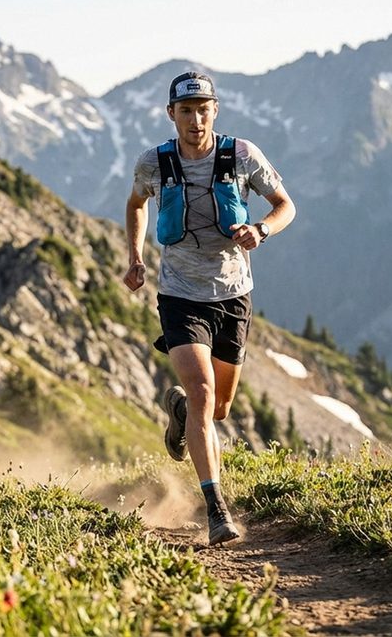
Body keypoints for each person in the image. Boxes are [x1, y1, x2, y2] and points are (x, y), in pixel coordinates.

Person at [123, 71, 296, 545]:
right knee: (202, 391)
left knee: (217, 408)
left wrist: (261, 229)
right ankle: (217, 510)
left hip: (234, 294)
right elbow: (136, 204)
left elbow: (285, 205)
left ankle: (180, 412)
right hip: (180, 295)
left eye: (203, 110)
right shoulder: (154, 163)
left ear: (215, 110)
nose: (195, 119)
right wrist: (135, 258)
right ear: (171, 114)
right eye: (186, 111)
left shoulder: (242, 155)